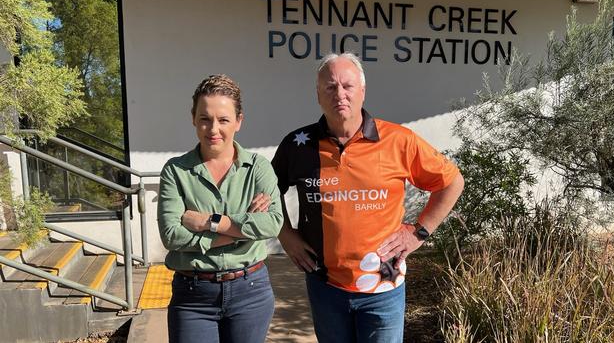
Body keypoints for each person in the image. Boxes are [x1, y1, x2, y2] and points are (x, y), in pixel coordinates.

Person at [271, 53, 464, 342]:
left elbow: (452, 182)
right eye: (330, 87)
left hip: (383, 288)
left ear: (363, 90)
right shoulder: (298, 145)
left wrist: (418, 232)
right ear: (318, 95)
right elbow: (268, 189)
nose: (340, 94)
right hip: (325, 286)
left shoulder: (398, 140)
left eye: (347, 86)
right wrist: (285, 233)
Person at [157, 74, 283, 343]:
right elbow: (172, 236)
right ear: (194, 118)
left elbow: (272, 224)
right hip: (193, 296)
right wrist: (243, 229)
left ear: (239, 121)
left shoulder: (258, 168)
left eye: (223, 119)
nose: (213, 128)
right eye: (205, 118)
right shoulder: (176, 171)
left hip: (250, 292)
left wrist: (208, 222)